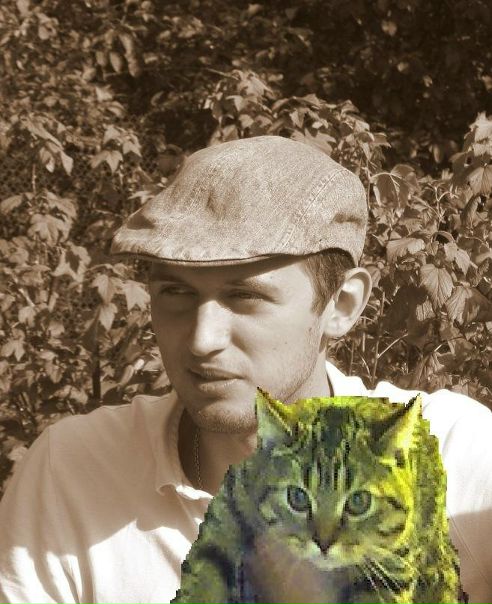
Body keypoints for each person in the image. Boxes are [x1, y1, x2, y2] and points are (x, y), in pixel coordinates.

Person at [0, 136, 491, 604]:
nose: (202, 339)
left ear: (342, 305)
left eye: (245, 296)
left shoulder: (454, 453)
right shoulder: (75, 472)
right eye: (175, 292)